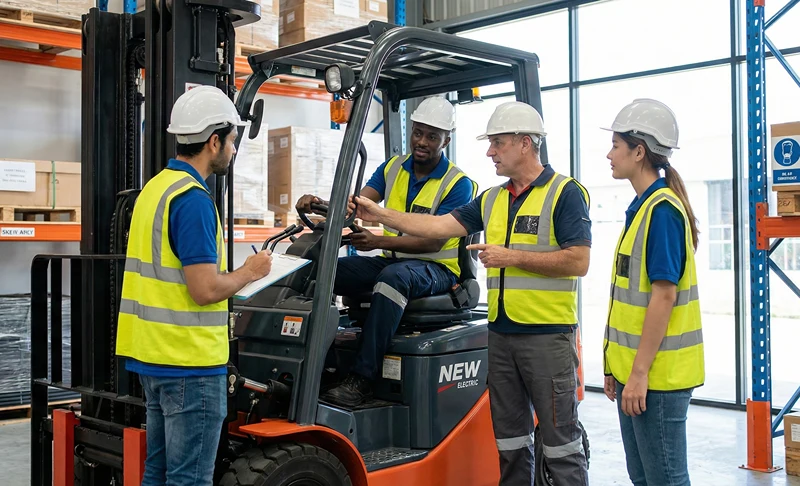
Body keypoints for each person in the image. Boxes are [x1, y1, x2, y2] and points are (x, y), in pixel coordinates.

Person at [351, 101, 591, 485]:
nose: (489, 151)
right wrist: (380, 216)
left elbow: (578, 261)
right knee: (510, 443)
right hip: (503, 334)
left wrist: (510, 257)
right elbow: (437, 226)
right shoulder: (492, 198)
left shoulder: (565, 193)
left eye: (497, 143)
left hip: (547, 337)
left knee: (560, 448)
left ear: (526, 144)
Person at [115, 86, 273, 486]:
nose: (234, 151)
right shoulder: (193, 200)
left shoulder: (155, 189)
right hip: (190, 365)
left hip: (153, 358)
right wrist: (251, 271)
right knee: (189, 479)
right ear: (214, 141)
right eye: (232, 141)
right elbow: (203, 290)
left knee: (159, 473)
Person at [296, 96, 476, 407]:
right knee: (322, 271)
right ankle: (315, 363)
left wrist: (378, 241)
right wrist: (322, 208)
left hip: (437, 270)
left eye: (432, 136)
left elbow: (432, 242)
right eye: (418, 132)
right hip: (394, 260)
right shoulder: (393, 168)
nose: (421, 142)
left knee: (392, 280)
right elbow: (357, 205)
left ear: (447, 138)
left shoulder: (458, 184)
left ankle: (362, 379)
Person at [601, 98, 704, 486]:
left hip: (658, 378)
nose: (608, 155)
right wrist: (617, 368)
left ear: (639, 151)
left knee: (665, 480)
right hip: (638, 374)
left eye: (615, 145)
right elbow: (631, 299)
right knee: (644, 478)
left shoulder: (661, 211)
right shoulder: (642, 208)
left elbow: (664, 297)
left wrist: (639, 373)